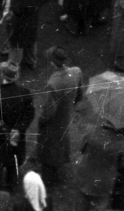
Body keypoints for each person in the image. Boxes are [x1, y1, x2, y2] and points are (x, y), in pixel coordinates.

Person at [36, 47, 84, 183]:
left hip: (55, 119)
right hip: (66, 114)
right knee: (62, 139)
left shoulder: (54, 83)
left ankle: (50, 174)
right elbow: (80, 93)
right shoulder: (76, 72)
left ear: (52, 62)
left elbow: (50, 110)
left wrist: (42, 119)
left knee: (50, 143)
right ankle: (60, 162)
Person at [0, 61, 34, 187]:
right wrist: (17, 130)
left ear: (2, 75)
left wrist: (7, 133)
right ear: (16, 76)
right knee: (14, 163)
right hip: (17, 139)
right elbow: (29, 115)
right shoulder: (25, 93)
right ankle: (12, 184)